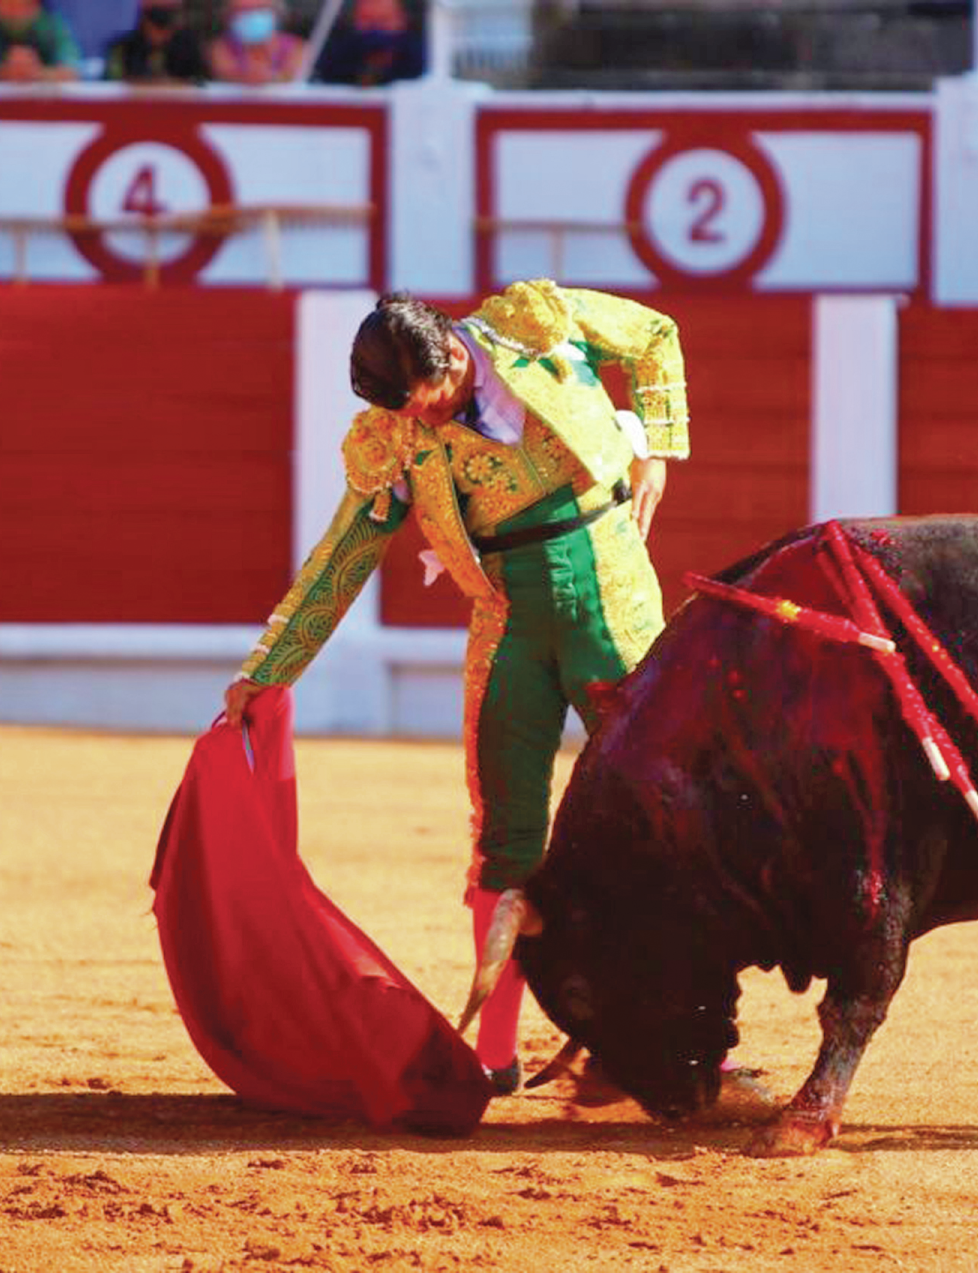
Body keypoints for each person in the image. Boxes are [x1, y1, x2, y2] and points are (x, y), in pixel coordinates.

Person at [222, 281, 688, 1094]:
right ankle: (494, 1052)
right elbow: (342, 555)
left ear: (449, 352)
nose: (422, 418)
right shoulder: (397, 435)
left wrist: (657, 449)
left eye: (426, 397)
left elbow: (653, 334)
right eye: (404, 408)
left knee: (664, 813)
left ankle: (683, 1040)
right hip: (507, 623)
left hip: (615, 588)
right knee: (503, 834)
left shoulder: (533, 324)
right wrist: (267, 670)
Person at [0, 0, 79, 80]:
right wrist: (5, 72)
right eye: (9, 5)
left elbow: (72, 64)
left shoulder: (50, 21)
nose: (15, 13)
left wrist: (37, 73)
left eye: (24, 6)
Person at [316, 0, 425, 86]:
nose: (375, 29)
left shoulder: (421, 59)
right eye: (367, 20)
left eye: (384, 20)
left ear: (402, 20)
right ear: (354, 20)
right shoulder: (336, 56)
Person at [105, 0, 206, 83]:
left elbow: (200, 80)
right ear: (145, 23)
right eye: (156, 29)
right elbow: (114, 80)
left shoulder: (186, 44)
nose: (161, 36)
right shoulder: (125, 45)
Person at [207, 0, 304, 85]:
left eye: (259, 9)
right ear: (228, 16)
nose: (252, 15)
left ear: (276, 12)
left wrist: (270, 78)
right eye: (243, 10)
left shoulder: (297, 47)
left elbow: (295, 75)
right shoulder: (220, 48)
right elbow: (224, 74)